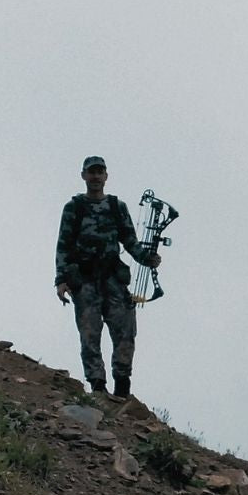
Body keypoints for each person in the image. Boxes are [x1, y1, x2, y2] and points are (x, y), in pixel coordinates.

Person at [54, 155, 161, 399]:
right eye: (91, 172)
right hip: (85, 280)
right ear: (83, 176)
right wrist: (61, 280)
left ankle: (122, 386)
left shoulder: (117, 207)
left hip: (113, 279)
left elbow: (130, 241)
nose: (95, 176)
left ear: (106, 176)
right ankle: (98, 387)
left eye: (99, 172)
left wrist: (147, 258)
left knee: (124, 331)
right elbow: (63, 245)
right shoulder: (74, 207)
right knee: (90, 334)